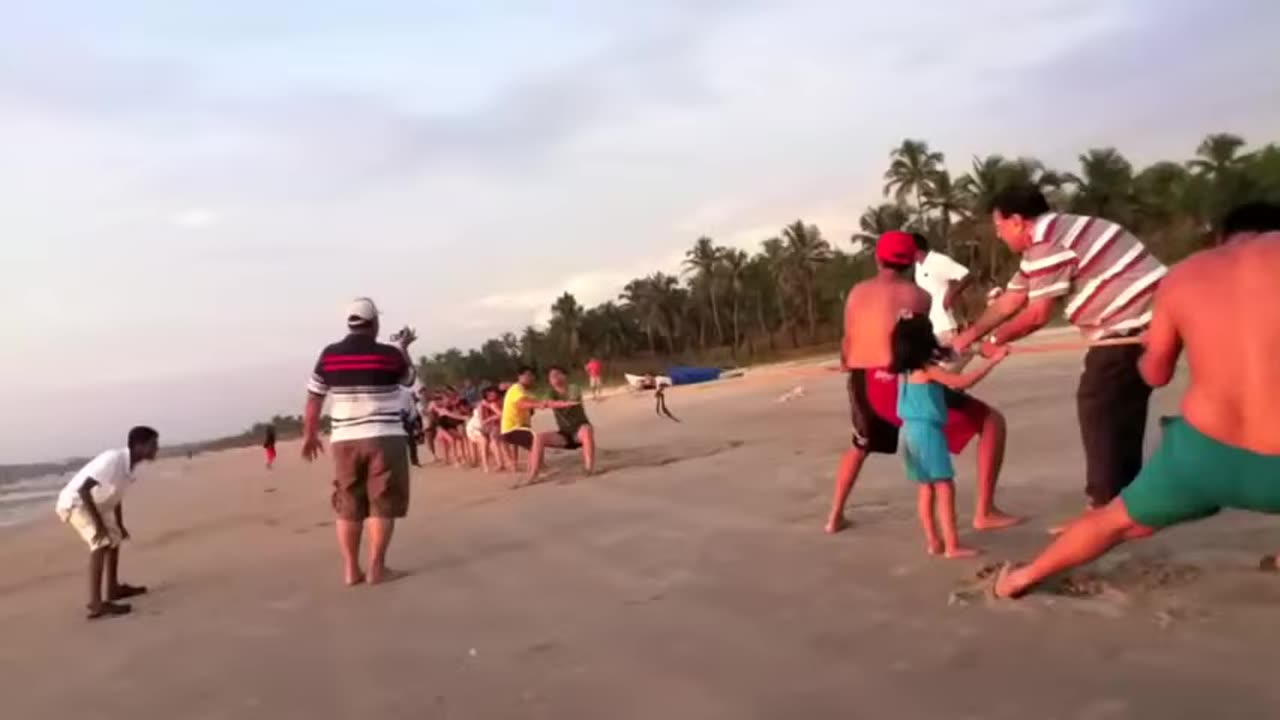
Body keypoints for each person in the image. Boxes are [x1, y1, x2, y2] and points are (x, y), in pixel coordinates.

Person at [995, 202, 1280, 598]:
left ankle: (1019, 579)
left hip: (1204, 458)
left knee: (1117, 522)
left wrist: (1153, 346)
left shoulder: (1183, 276)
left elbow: (1154, 375)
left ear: (1219, 239)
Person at [952, 185, 1167, 516]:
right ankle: (1124, 503)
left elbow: (1038, 314)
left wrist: (997, 341)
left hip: (1134, 324)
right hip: (1138, 321)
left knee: (1099, 404)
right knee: (1120, 409)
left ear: (1018, 222)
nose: (998, 236)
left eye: (999, 227)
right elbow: (1012, 300)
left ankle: (1104, 509)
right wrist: (971, 336)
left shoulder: (1047, 242)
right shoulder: (1047, 241)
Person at [825, 231, 1019, 534]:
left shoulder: (856, 293)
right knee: (991, 421)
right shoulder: (918, 297)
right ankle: (985, 512)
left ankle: (834, 516)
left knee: (860, 443)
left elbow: (846, 345)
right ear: (911, 260)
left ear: (877, 258)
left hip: (861, 382)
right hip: (897, 385)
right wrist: (977, 347)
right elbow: (917, 347)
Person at [302, 298, 416, 586]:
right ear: (374, 323)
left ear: (349, 322)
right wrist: (403, 349)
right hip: (385, 436)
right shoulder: (389, 354)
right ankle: (377, 568)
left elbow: (315, 396)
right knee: (383, 501)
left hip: (344, 439)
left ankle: (351, 570)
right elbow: (410, 379)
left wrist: (310, 434)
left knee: (348, 503)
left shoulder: (330, 354)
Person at [892, 315, 1008, 558]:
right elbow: (964, 381)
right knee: (945, 486)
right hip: (927, 433)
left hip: (907, 432)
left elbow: (950, 354)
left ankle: (934, 541)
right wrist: (993, 361)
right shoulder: (927, 370)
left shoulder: (904, 372)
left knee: (926, 488)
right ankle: (952, 545)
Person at [55, 426, 159, 620]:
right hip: (75, 503)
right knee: (100, 541)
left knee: (115, 538)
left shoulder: (129, 467)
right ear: (138, 446)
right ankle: (96, 603)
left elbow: (116, 496)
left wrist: (119, 523)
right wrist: (99, 526)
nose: (156, 449)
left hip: (96, 504)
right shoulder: (113, 460)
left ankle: (113, 589)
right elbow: (84, 490)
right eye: (153, 444)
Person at [524, 366, 596, 483]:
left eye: (557, 374)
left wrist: (553, 404)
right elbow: (548, 402)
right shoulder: (550, 392)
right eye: (551, 376)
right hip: (564, 434)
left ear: (565, 376)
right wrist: (545, 403)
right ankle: (533, 474)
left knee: (586, 430)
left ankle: (589, 469)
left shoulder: (573, 388)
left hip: (579, 430)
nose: (554, 378)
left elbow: (570, 401)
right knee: (539, 437)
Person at [911, 233, 973, 345]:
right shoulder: (918, 266)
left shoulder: (938, 260)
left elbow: (967, 275)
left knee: (950, 360)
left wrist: (950, 296)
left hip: (946, 325)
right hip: (932, 328)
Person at [400, 387, 422, 468]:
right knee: (399, 444)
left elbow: (412, 407)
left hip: (406, 419)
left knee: (411, 442)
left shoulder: (406, 392)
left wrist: (410, 419)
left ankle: (414, 461)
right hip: (395, 420)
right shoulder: (389, 389)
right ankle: (403, 463)